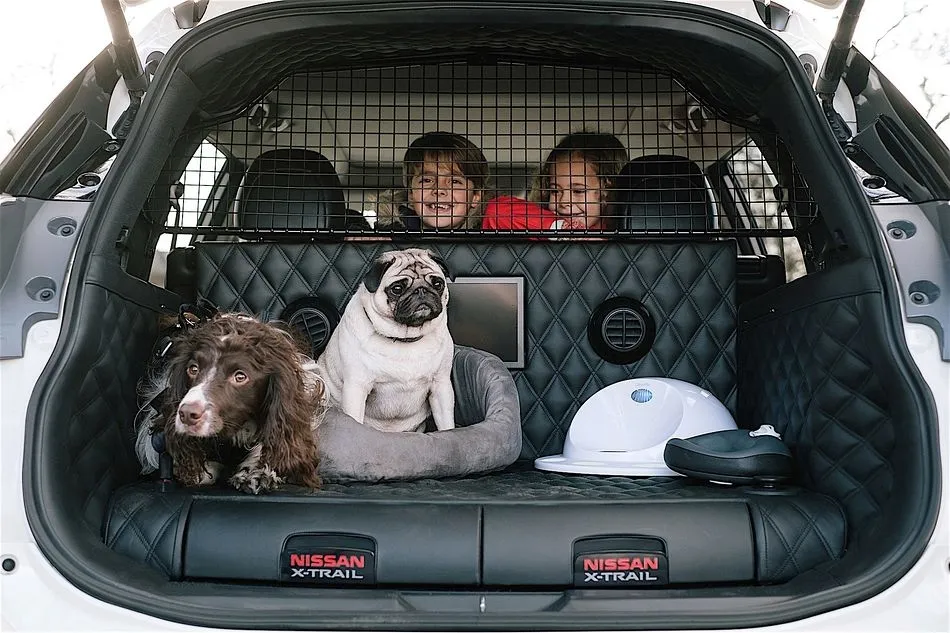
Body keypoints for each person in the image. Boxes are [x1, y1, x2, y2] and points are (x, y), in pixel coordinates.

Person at [483, 131, 628, 232]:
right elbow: (495, 211)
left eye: (578, 191)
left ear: (608, 190)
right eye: (555, 191)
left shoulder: (627, 238)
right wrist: (562, 229)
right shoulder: (543, 230)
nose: (564, 201)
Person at [375, 131, 491, 231]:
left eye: (455, 181)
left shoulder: (495, 238)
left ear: (476, 195)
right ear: (411, 193)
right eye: (427, 180)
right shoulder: (385, 239)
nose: (439, 189)